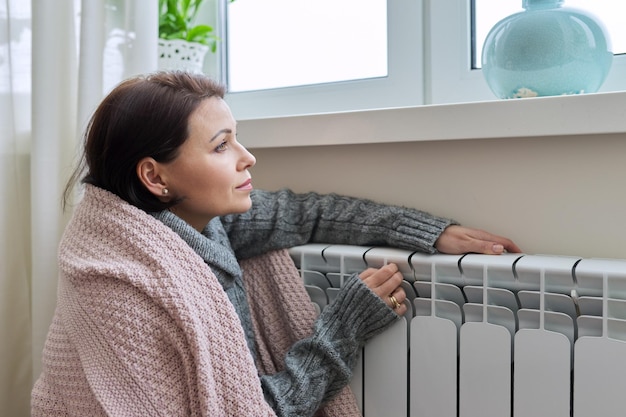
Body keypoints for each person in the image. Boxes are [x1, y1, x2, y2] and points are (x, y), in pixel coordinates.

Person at [31, 71, 521, 417]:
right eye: (222, 145)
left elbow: (307, 213)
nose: (248, 158)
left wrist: (429, 231)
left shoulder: (194, 222)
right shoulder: (125, 287)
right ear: (154, 177)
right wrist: (343, 327)